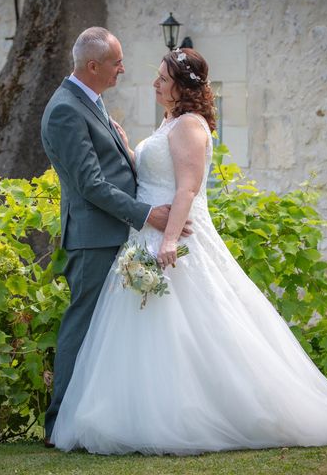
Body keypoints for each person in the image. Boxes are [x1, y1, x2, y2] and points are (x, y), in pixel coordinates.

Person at [49, 48, 327, 455]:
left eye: (162, 78)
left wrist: (170, 239)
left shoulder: (189, 126)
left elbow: (187, 189)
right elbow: (148, 174)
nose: (154, 83)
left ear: (181, 86)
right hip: (146, 235)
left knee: (196, 329)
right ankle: (138, 413)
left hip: (174, 237)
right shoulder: (167, 125)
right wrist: (127, 145)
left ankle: (204, 414)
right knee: (151, 332)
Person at [39, 27, 191, 447]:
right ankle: (58, 426)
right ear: (93, 66)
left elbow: (109, 166)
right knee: (82, 328)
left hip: (111, 233)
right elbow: (89, 184)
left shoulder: (89, 101)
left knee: (105, 334)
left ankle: (91, 418)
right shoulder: (66, 110)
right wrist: (148, 215)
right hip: (93, 238)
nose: (123, 69)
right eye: (117, 62)